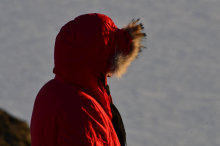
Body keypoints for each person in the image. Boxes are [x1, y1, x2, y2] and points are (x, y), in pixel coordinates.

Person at [31, 13, 146, 146]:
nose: (110, 74)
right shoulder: (83, 108)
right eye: (110, 61)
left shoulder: (49, 91)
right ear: (99, 58)